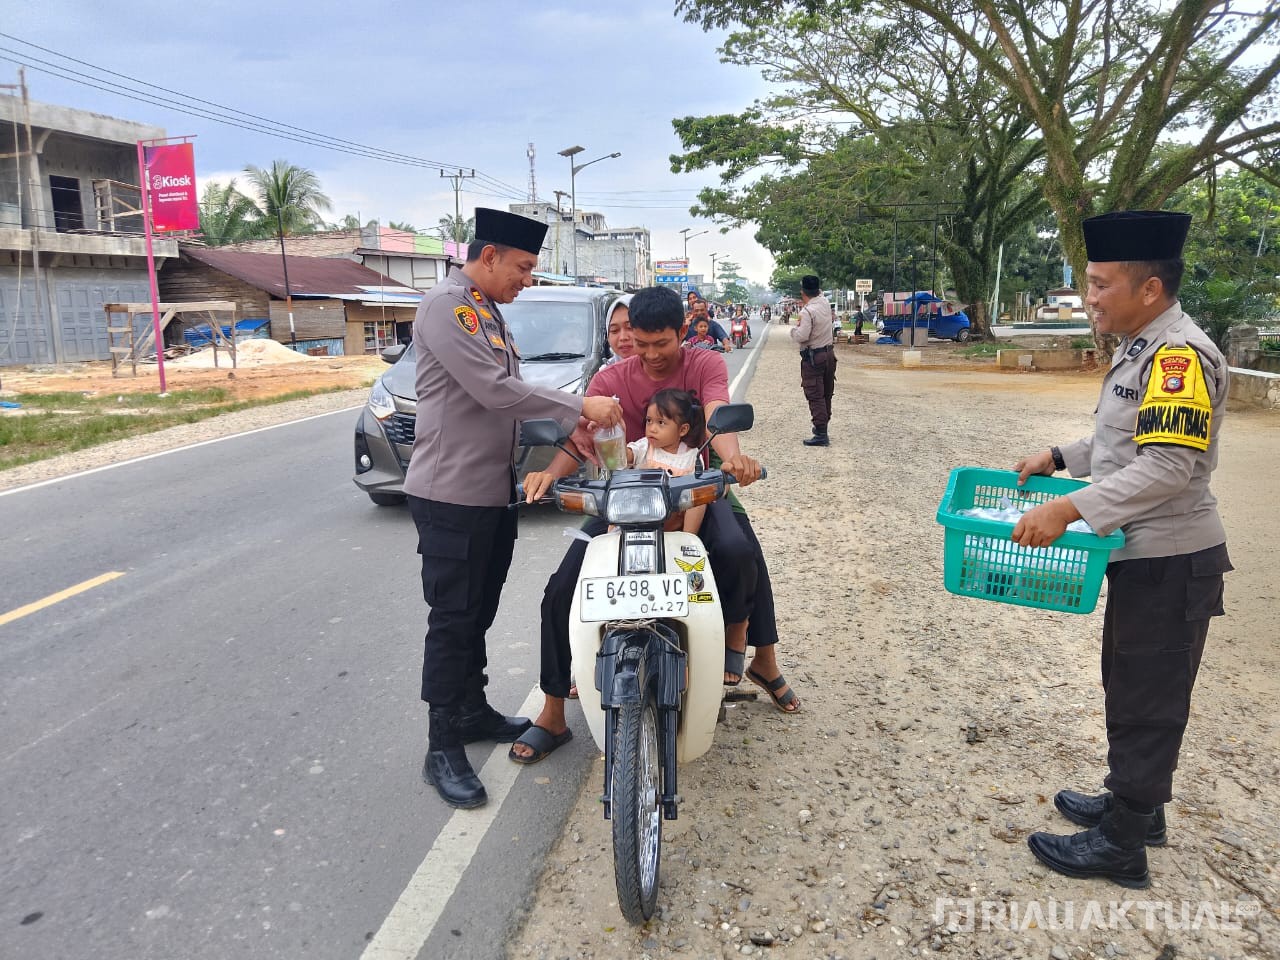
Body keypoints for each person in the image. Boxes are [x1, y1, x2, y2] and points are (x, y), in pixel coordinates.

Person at [1012, 210, 1232, 889]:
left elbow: (1168, 468)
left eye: (1102, 284)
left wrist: (1070, 506)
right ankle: (1138, 805)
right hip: (1144, 552)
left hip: (1172, 555)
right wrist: (1061, 455)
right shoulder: (1142, 347)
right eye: (1088, 282)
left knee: (1147, 697)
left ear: (1150, 289)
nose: (1091, 297)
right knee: (1130, 682)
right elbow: (1125, 445)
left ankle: (1124, 845)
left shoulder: (1178, 358)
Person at [511, 286, 797, 763]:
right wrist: (548, 473)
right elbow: (580, 443)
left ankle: (746, 650)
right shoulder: (609, 379)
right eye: (639, 344)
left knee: (736, 548)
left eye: (660, 344)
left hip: (691, 495)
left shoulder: (704, 364)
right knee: (562, 587)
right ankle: (553, 710)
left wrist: (733, 461)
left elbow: (718, 421)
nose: (649, 355)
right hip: (620, 505)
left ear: (682, 332)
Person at [404, 207, 623, 809]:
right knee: (453, 615)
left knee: (478, 609)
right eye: (523, 267)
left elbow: (505, 407)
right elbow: (496, 391)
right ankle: (442, 742)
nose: (527, 279)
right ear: (490, 254)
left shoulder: (489, 313)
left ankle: (471, 710)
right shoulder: (448, 306)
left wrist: (564, 439)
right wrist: (581, 408)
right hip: (449, 492)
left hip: (489, 490)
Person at [625, 388, 708, 534]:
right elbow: (625, 456)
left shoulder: (691, 456)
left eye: (661, 422)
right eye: (649, 421)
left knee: (699, 497)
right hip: (639, 517)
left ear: (682, 430)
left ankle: (689, 538)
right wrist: (616, 436)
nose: (652, 428)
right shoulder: (645, 446)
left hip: (673, 524)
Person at [791, 275, 836, 447]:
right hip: (829, 355)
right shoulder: (824, 302)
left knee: (814, 394)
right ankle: (822, 427)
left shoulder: (807, 312)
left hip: (814, 357)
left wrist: (793, 331)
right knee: (826, 392)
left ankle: (821, 433)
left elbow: (802, 336)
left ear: (803, 293)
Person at [604, 294, 633, 364]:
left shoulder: (661, 372)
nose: (623, 337)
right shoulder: (605, 373)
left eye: (630, 328)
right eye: (614, 330)